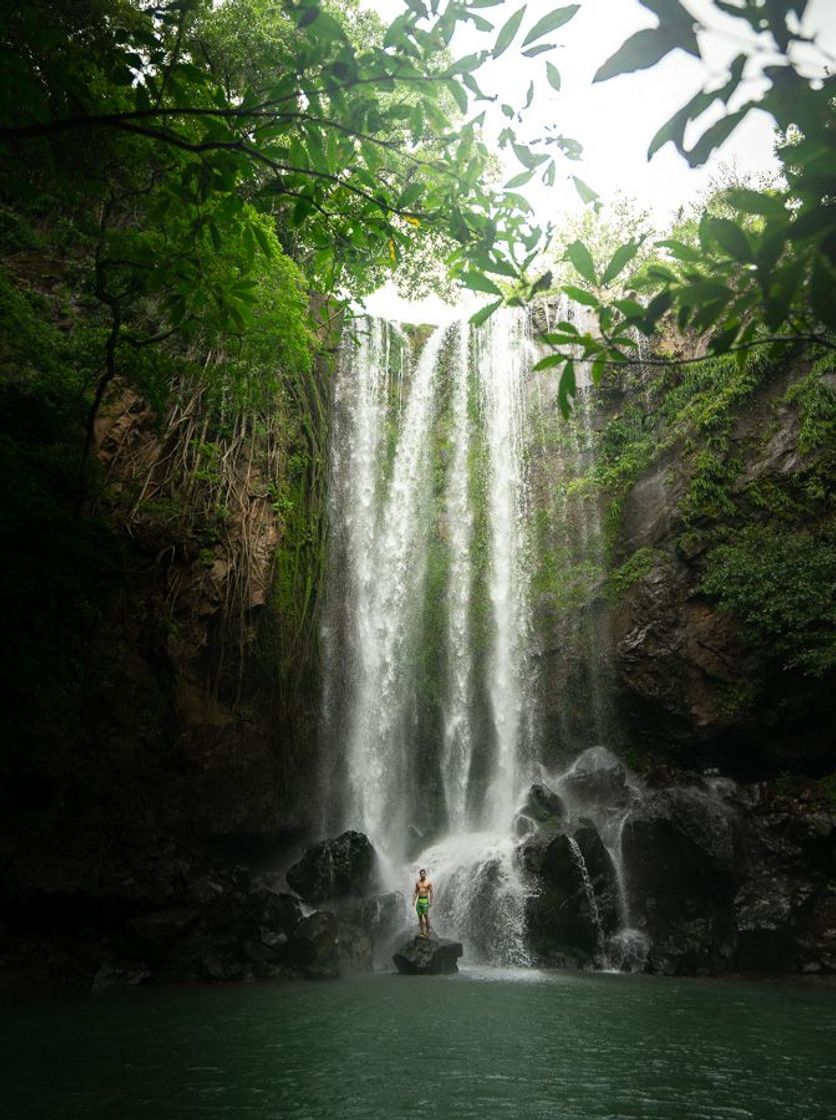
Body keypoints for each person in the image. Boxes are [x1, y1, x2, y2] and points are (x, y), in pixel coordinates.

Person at [412, 868, 433, 937]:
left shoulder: (428, 882)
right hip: (419, 900)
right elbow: (415, 892)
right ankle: (421, 931)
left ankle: (428, 930)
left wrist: (430, 902)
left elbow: (431, 892)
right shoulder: (418, 883)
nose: (422, 875)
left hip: (425, 900)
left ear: (425, 874)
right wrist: (413, 900)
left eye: (423, 873)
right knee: (420, 916)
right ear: (420, 875)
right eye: (421, 874)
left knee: (426, 916)